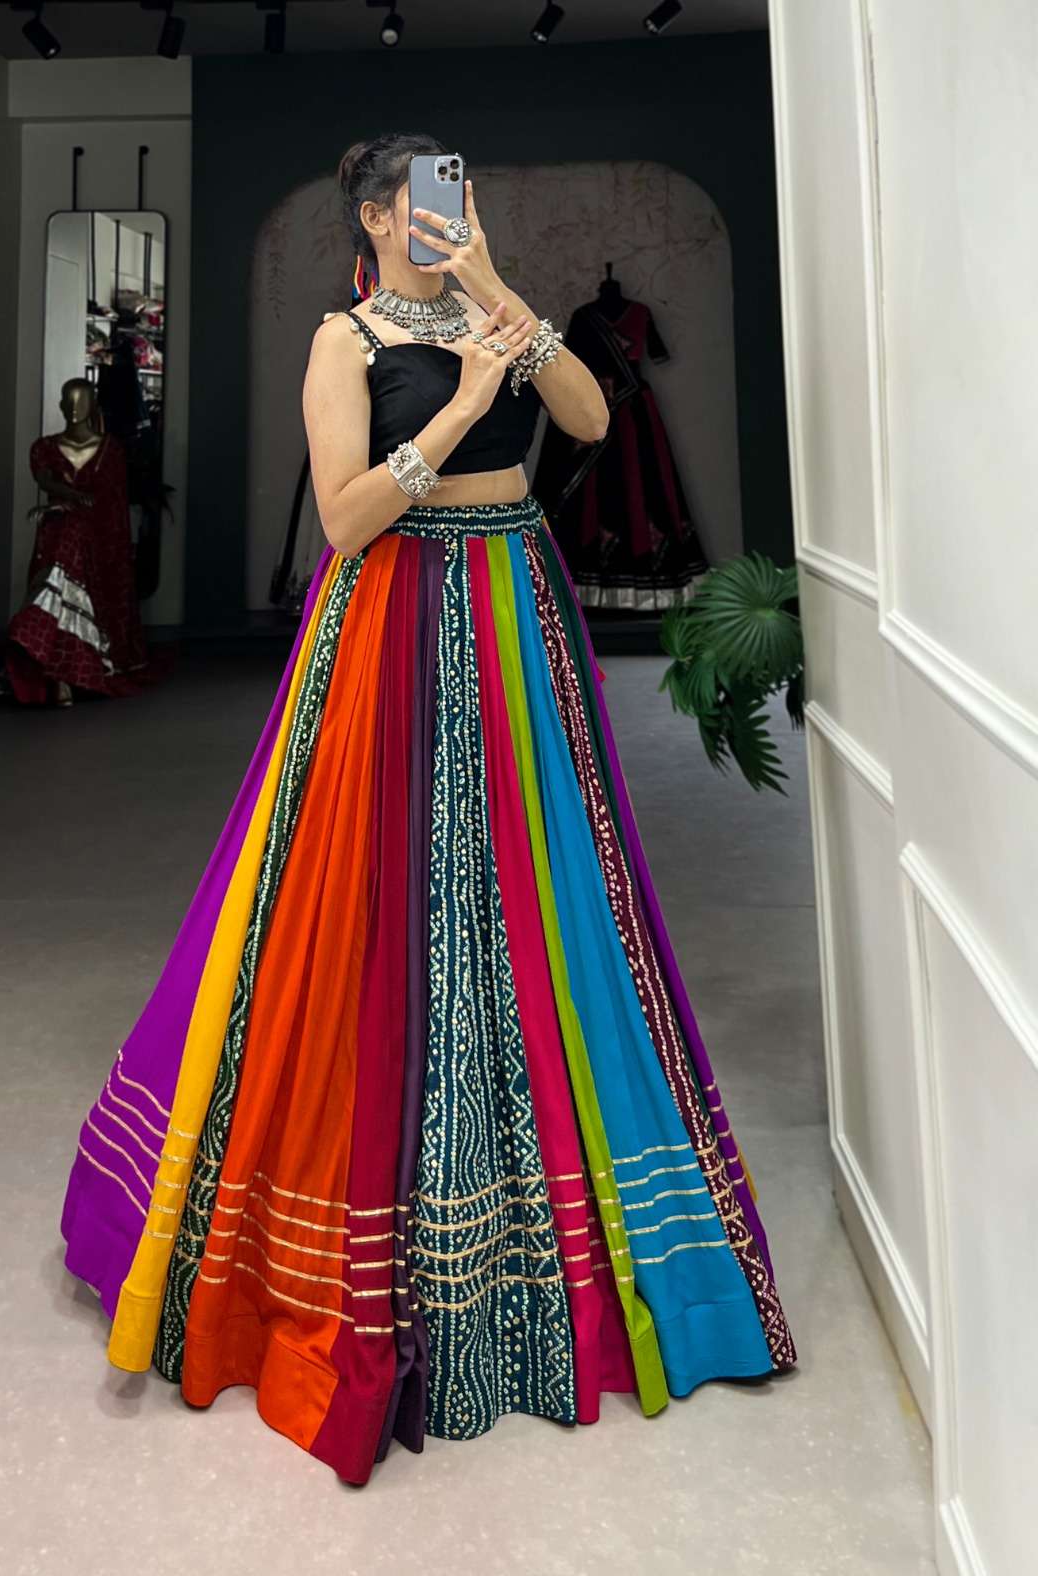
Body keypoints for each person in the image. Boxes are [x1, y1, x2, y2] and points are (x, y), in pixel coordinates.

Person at [58, 133, 797, 1485]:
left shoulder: (496, 311)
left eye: (461, 198)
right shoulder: (342, 340)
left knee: (541, 888)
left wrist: (500, 299)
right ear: (377, 217)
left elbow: (588, 422)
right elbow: (345, 520)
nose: (446, 218)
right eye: (424, 203)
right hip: (394, 612)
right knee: (374, 889)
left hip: (516, 600)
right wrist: (455, 410)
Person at [4, 378, 147, 706]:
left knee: (69, 551)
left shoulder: (111, 451)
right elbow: (44, 479)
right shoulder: (44, 448)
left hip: (98, 536)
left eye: (81, 400)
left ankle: (68, 668)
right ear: (59, 404)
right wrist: (69, 498)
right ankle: (53, 666)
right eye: (68, 400)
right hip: (61, 531)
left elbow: (111, 504)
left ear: (93, 405)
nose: (74, 407)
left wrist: (73, 503)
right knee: (61, 555)